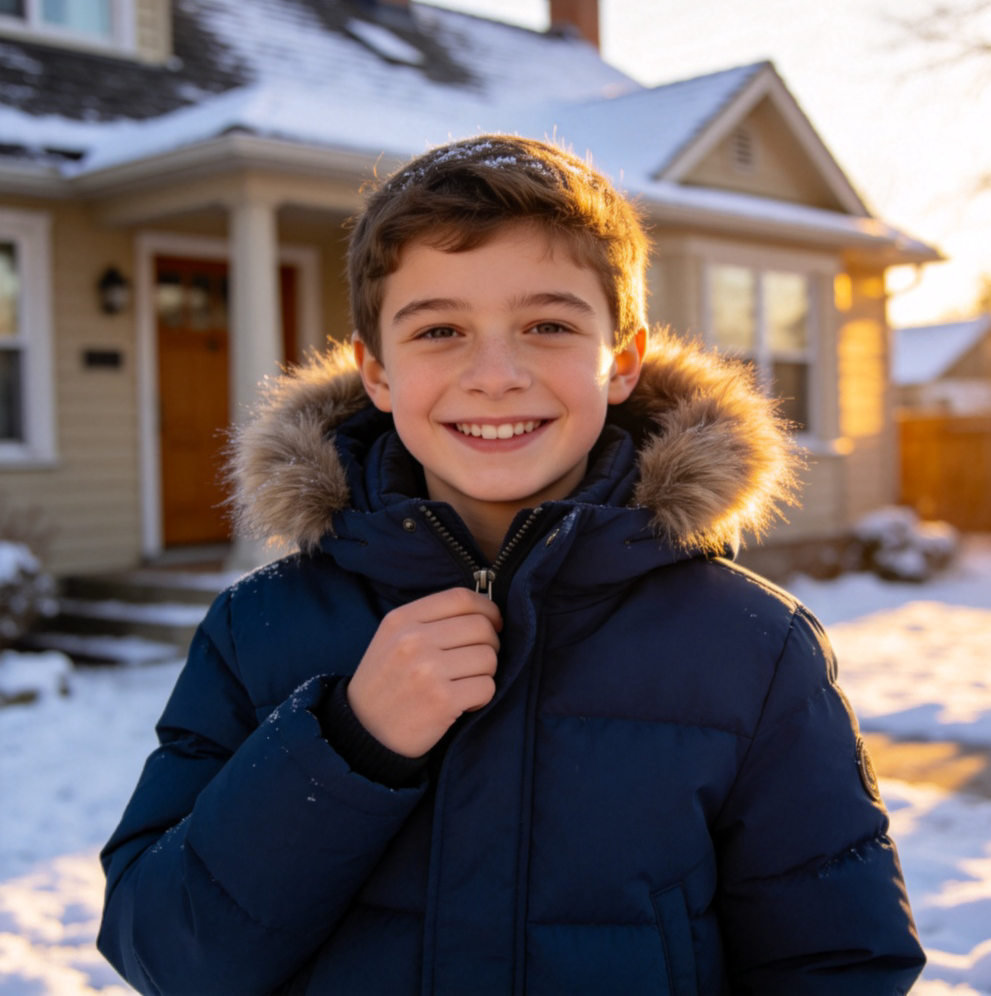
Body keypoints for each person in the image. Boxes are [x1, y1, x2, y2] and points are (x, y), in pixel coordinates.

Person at [98, 134, 925, 995]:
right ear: (376, 371)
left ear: (624, 361)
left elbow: (841, 964)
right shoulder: (259, 629)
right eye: (441, 329)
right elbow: (166, 953)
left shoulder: (752, 648)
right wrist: (347, 747)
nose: (495, 375)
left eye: (548, 325)